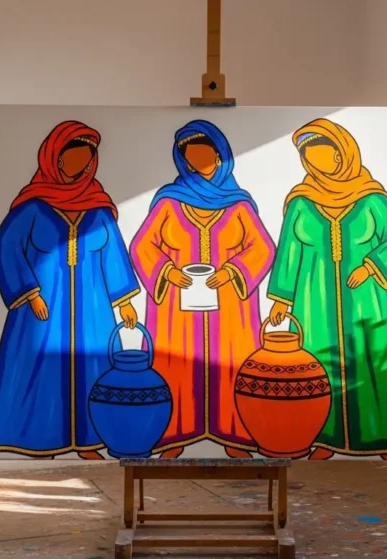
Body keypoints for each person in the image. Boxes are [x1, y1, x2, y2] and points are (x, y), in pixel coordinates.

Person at [266, 118, 387, 461]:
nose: (319, 162)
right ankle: (324, 439)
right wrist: (281, 300)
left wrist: (372, 265)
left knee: (376, 366)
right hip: (314, 303)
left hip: (369, 302)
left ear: (342, 154)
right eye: (311, 157)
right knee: (317, 368)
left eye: (325, 154)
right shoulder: (301, 202)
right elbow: (289, 253)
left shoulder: (371, 199)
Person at [0, 120, 140, 460]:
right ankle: (40, 440)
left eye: (85, 159)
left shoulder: (97, 210)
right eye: (72, 158)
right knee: (38, 375)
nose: (78, 166)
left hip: (92, 311)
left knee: (95, 370)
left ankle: (90, 441)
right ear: (55, 158)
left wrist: (123, 302)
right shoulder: (32, 208)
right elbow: (6, 246)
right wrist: (30, 293)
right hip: (44, 311)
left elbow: (114, 256)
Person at [131, 119, 274, 459]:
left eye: (205, 152)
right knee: (174, 367)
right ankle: (173, 434)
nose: (199, 160)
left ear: (219, 154)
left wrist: (232, 271)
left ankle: (235, 435)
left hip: (230, 308)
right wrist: (167, 272)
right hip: (176, 310)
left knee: (232, 365)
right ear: (183, 160)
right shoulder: (169, 203)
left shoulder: (238, 205)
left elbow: (263, 248)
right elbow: (142, 246)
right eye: (191, 155)